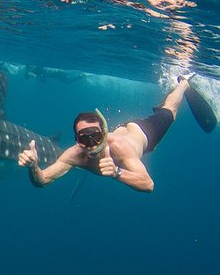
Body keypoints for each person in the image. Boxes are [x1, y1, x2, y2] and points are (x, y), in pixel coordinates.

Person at [18, 77, 194, 192]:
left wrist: (117, 172)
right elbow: (42, 180)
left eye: (95, 136)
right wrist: (33, 166)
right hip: (121, 130)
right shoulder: (74, 155)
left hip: (143, 134)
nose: (92, 144)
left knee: (169, 112)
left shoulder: (119, 149)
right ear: (77, 141)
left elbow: (148, 184)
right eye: (84, 139)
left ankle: (183, 83)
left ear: (103, 134)